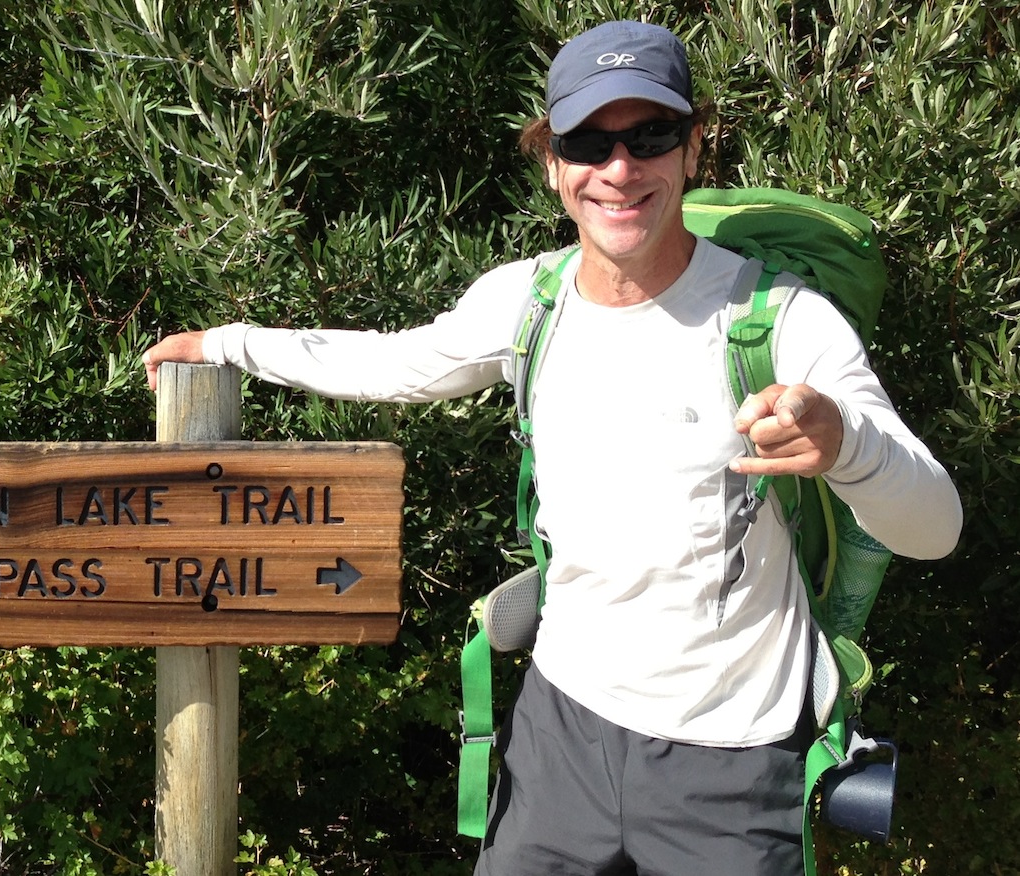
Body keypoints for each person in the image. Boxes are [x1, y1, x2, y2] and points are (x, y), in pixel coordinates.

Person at [142, 20, 962, 876]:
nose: (618, 169)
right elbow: (392, 361)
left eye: (648, 136)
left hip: (733, 758)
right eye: (586, 142)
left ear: (691, 150)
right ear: (551, 163)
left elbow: (932, 526)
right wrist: (228, 343)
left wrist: (842, 443)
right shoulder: (526, 303)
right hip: (558, 733)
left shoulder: (781, 322)